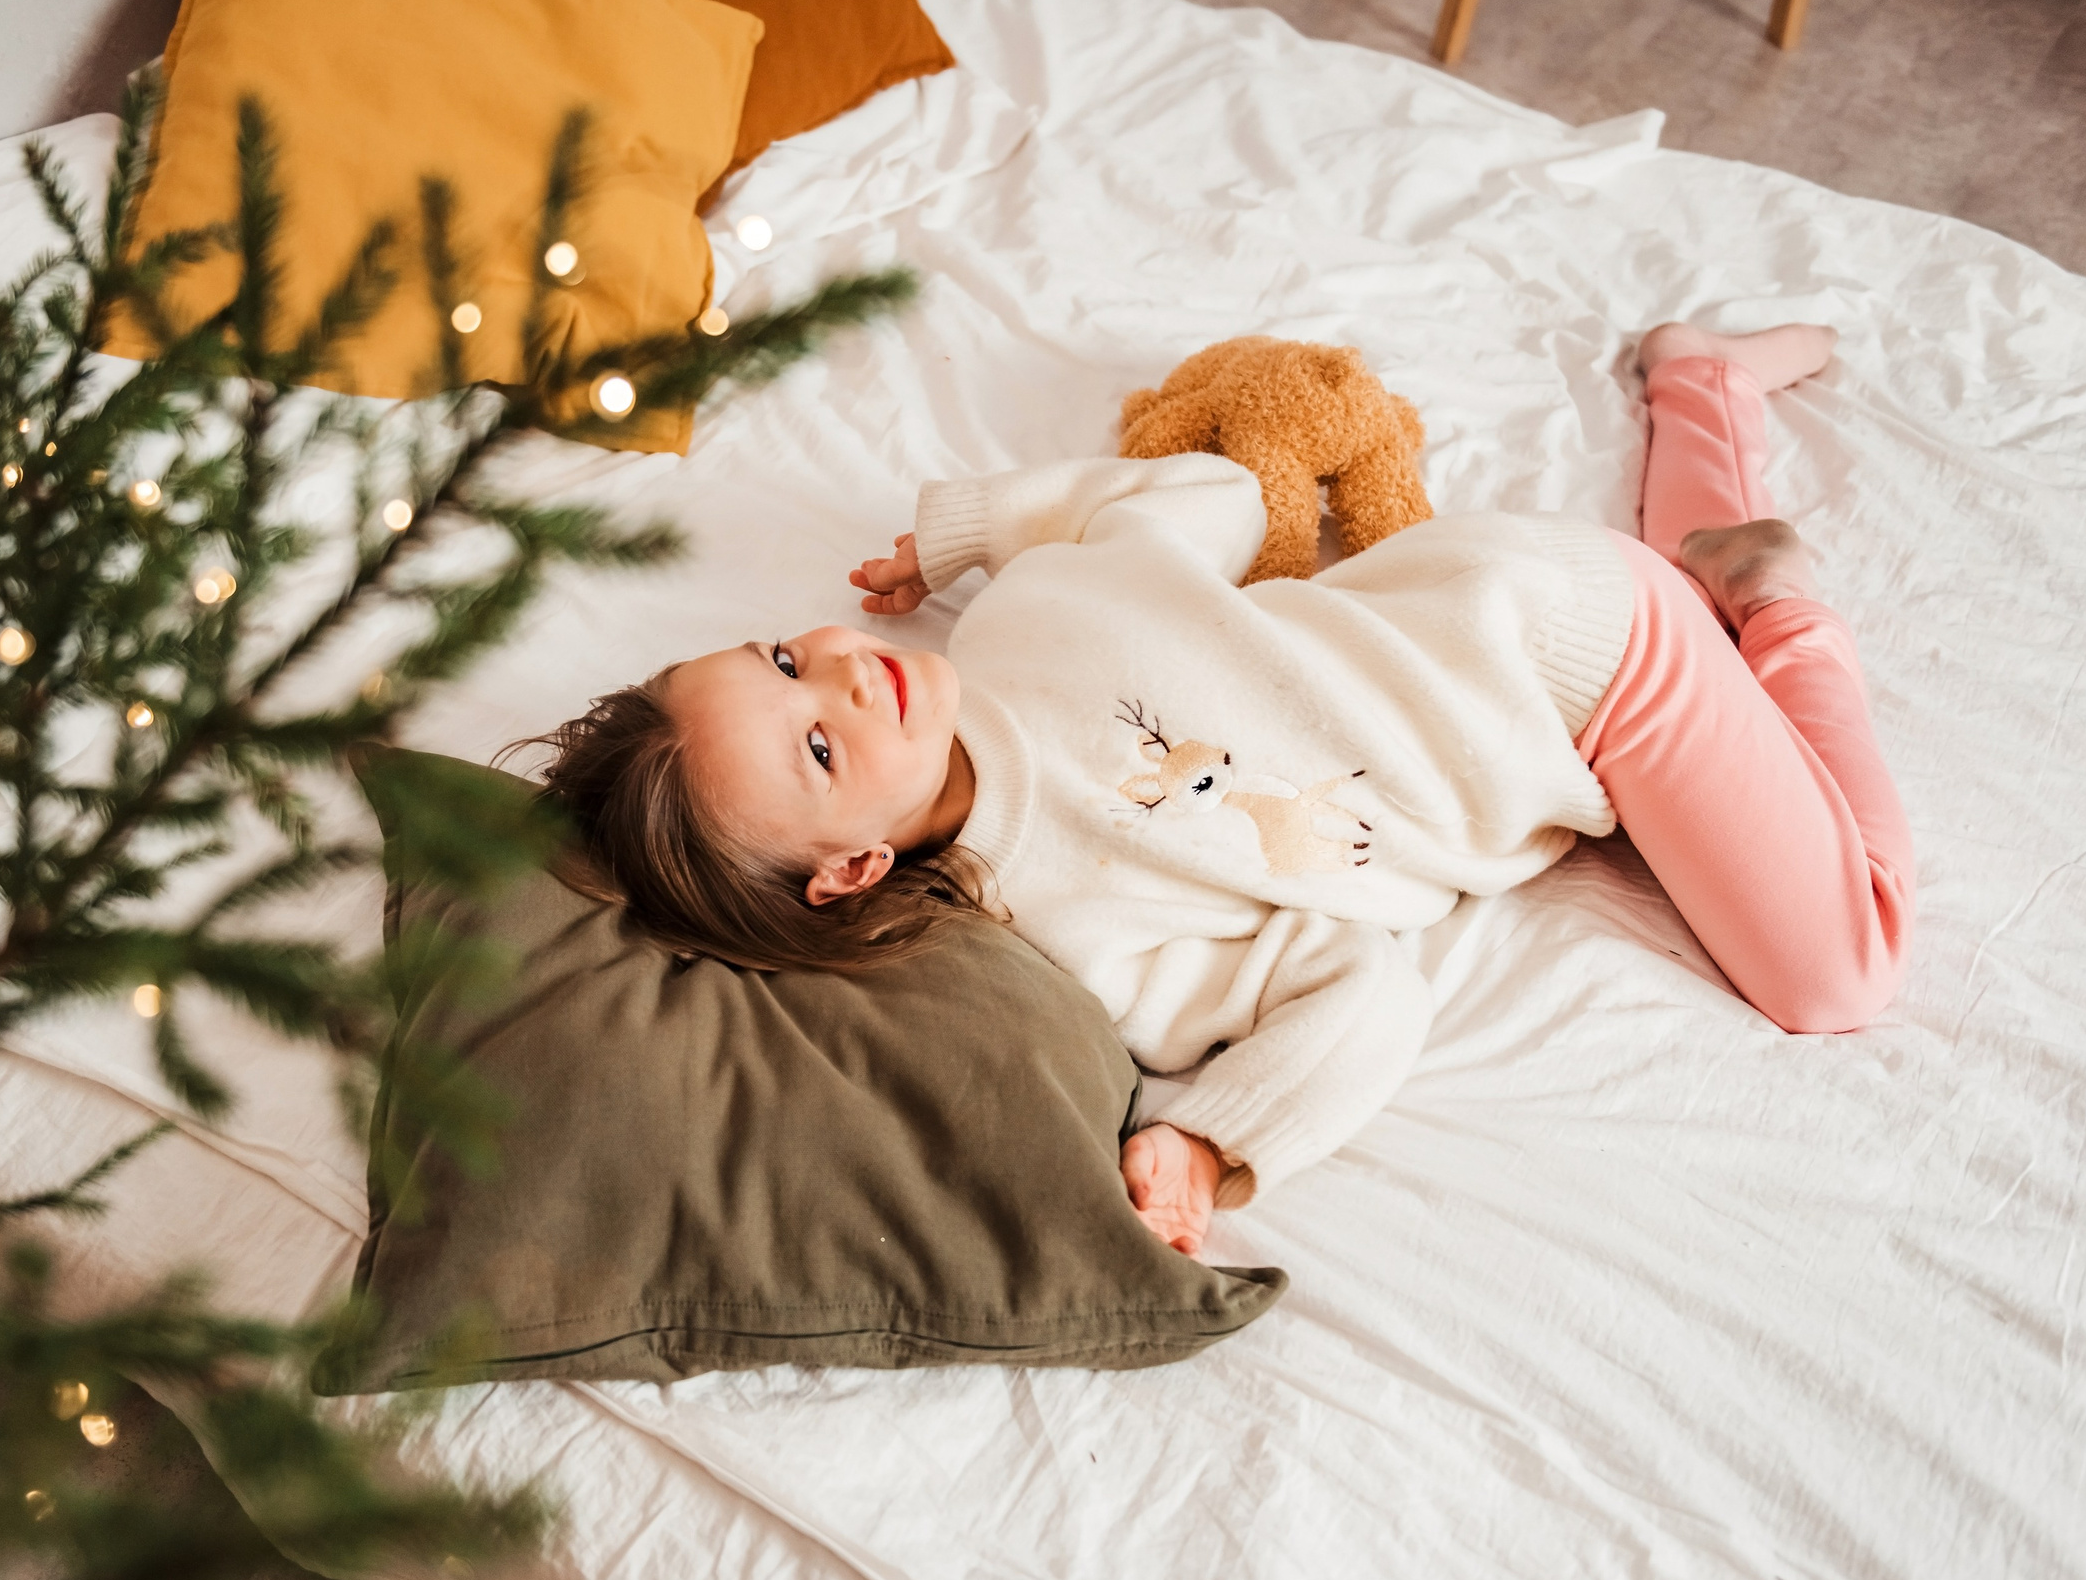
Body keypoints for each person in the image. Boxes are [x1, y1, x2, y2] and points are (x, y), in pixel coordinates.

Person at [527, 322, 1914, 1256]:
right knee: (1725, 687)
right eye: (817, 745)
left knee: (1844, 965)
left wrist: (975, 524)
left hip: (1578, 655)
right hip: (1544, 629)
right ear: (847, 872)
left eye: (782, 657)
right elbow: (1360, 990)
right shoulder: (1079, 930)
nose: (841, 671)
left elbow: (1205, 502)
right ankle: (1703, 401)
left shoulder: (1012, 622)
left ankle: (1778, 607)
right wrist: (1210, 1136)